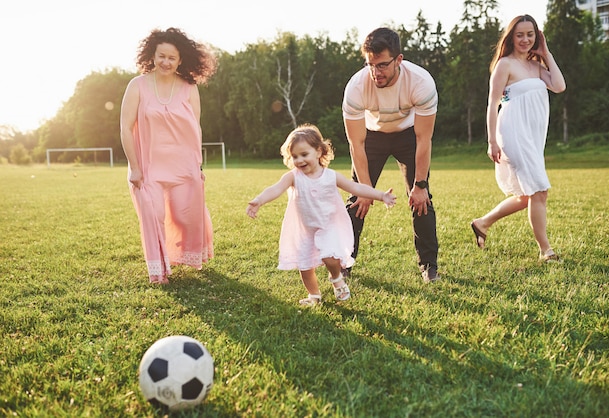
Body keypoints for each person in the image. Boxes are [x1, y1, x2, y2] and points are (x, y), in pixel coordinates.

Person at [246, 124, 396, 306]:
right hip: (305, 228)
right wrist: (259, 200)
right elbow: (275, 189)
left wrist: (381, 195)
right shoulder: (293, 177)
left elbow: (356, 187)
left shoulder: (331, 176)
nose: (299, 160)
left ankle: (336, 277)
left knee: (329, 256)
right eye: (295, 156)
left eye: (304, 154)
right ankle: (314, 295)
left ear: (318, 152)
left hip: (329, 225)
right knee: (305, 266)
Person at [342, 27, 440, 284]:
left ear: (399, 60)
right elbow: (355, 142)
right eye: (371, 65)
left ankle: (429, 266)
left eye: (383, 64)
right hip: (371, 136)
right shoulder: (356, 87)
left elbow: (423, 138)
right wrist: (364, 188)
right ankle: (345, 262)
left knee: (422, 199)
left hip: (409, 135)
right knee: (356, 200)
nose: (376, 72)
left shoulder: (421, 83)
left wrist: (420, 184)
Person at [120, 27, 217, 284]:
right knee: (153, 216)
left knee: (186, 215)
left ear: (180, 60)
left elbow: (195, 127)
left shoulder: (188, 87)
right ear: (152, 56)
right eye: (161, 56)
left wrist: (198, 166)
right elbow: (125, 128)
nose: (166, 62)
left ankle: (191, 253)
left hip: (184, 165)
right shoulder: (137, 85)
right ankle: (158, 271)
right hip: (149, 166)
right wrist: (134, 167)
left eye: (171, 58)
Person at [470, 15, 566, 262]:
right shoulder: (505, 65)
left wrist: (546, 53)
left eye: (530, 34)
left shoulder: (537, 65)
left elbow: (559, 86)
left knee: (527, 196)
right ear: (511, 37)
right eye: (520, 34)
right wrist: (492, 141)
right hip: (512, 132)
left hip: (533, 137)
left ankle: (482, 222)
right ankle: (546, 250)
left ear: (537, 36)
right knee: (539, 190)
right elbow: (492, 104)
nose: (525, 39)